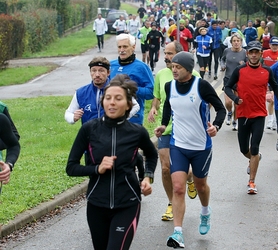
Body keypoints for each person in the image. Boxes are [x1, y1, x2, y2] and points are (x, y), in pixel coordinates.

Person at [66, 75, 158, 250]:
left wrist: (147, 178)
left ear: (128, 104)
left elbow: (151, 155)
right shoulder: (89, 129)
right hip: (96, 204)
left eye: (118, 98)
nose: (112, 103)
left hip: (127, 202)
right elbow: (71, 167)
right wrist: (97, 169)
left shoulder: (137, 132)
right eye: (108, 98)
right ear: (102, 102)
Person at [154, 51, 226, 248]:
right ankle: (178, 233)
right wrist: (163, 124)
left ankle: (205, 211)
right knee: (178, 187)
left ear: (188, 69)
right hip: (178, 144)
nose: (173, 69)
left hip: (201, 146)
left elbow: (221, 109)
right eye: (172, 66)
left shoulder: (201, 86)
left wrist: (216, 126)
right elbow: (169, 106)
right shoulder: (169, 86)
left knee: (200, 185)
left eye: (178, 67)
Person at [147, 41, 201, 222]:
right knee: (165, 168)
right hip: (167, 127)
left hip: (187, 127)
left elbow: (201, 100)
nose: (166, 57)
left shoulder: (194, 75)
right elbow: (157, 96)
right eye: (165, 53)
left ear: (179, 55)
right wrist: (153, 108)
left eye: (170, 53)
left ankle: (190, 177)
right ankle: (171, 203)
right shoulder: (161, 75)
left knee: (184, 169)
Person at [225, 41, 278, 194]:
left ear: (260, 54)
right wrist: (235, 98)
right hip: (243, 114)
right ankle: (256, 158)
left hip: (259, 114)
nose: (253, 55)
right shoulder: (240, 71)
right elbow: (227, 87)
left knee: (254, 147)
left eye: (256, 52)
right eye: (251, 52)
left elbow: (276, 86)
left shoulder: (267, 71)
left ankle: (252, 182)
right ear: (247, 54)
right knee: (243, 149)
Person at [65, 56, 140, 125]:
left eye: (101, 71)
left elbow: (135, 106)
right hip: (90, 136)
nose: (97, 74)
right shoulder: (81, 93)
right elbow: (68, 113)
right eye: (93, 70)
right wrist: (73, 118)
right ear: (90, 72)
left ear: (108, 72)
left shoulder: (118, 89)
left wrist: (121, 118)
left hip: (112, 134)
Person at [110, 33, 154, 125]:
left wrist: (130, 90)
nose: (122, 50)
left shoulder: (142, 67)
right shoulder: (111, 65)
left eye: (125, 47)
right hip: (112, 115)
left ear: (133, 47)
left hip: (133, 117)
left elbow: (151, 92)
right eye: (119, 47)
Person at [220, 33, 247, 131]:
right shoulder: (227, 51)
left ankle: (235, 121)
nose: (236, 43)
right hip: (228, 79)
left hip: (240, 81)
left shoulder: (244, 52)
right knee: (228, 102)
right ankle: (229, 112)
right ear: (231, 42)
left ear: (241, 42)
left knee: (237, 103)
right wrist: (223, 66)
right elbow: (222, 60)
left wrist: (244, 64)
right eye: (234, 41)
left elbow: (249, 65)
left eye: (238, 41)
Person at [262, 36, 278, 130]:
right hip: (268, 79)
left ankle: (275, 120)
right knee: (271, 100)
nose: (274, 47)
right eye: (273, 45)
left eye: (276, 45)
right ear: (269, 45)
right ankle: (271, 119)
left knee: (277, 100)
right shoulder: (265, 53)